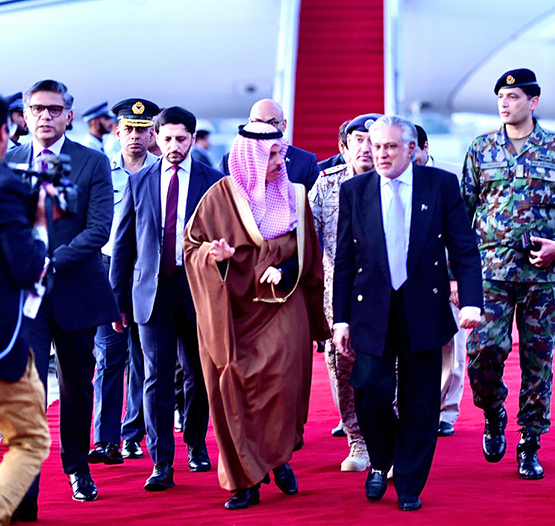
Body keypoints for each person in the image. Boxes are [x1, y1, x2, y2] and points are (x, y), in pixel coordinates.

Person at [333, 115, 482, 511]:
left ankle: (411, 482)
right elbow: (345, 261)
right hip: (371, 311)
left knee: (420, 401)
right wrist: (341, 319)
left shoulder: (441, 186)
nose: (379, 154)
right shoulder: (355, 190)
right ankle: (381, 461)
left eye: (390, 147)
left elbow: (464, 248)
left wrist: (470, 301)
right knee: (368, 389)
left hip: (423, 307)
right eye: (375, 146)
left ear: (412, 150)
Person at [184, 121, 328, 510]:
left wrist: (282, 267)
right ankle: (245, 479)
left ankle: (276, 457)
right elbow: (191, 247)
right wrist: (214, 258)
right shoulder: (219, 197)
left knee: (282, 386)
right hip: (233, 309)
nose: (282, 162)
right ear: (251, 157)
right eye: (273, 155)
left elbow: (306, 250)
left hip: (284, 302)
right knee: (233, 386)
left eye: (282, 153)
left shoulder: (295, 194)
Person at [461, 68, 555, 480]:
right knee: (483, 352)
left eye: (513, 96)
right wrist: (458, 274)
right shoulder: (480, 149)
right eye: (501, 96)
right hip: (490, 272)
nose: (504, 103)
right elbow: (463, 212)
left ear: (532, 102)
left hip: (541, 274)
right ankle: (493, 409)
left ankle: (530, 441)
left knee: (538, 362)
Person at [6, 79, 118, 504]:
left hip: (74, 288)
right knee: (28, 385)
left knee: (76, 384)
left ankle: (77, 466)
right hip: (23, 296)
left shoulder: (91, 162)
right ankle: (26, 488)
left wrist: (54, 260)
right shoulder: (10, 159)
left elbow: (99, 229)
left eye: (54, 109)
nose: (45, 117)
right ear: (26, 114)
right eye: (37, 109)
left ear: (69, 115)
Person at [111, 106, 220, 490]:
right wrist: (117, 299)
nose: (174, 146)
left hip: (197, 290)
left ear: (192, 138)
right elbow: (123, 243)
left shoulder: (212, 181)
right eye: (167, 138)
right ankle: (161, 462)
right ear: (156, 137)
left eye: (181, 139)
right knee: (155, 377)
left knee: (198, 373)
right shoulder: (139, 182)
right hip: (150, 291)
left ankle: (195, 444)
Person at [88, 98, 160, 465]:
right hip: (108, 271)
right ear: (117, 132)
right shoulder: (102, 169)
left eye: (142, 130)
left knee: (144, 358)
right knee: (109, 355)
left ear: (153, 134)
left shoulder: (162, 172)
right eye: (128, 129)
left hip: (149, 272)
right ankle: (106, 440)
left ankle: (134, 433)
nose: (134, 136)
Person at [309, 113, 381, 472]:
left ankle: (387, 438)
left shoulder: (398, 182)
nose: (366, 148)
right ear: (343, 148)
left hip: (386, 294)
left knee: (391, 369)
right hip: (339, 296)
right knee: (343, 369)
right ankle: (357, 441)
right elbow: (305, 238)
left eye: (373, 140)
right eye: (358, 141)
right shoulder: (326, 185)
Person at [0, 93, 51, 526]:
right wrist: (37, 230)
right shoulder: (7, 186)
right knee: (32, 440)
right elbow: (26, 266)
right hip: (4, 342)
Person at [413, 124, 466, 436]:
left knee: (453, 345)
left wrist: (457, 278)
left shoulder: (453, 176)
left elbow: (467, 232)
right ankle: (418, 408)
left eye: (413, 150)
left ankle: (447, 412)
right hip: (413, 278)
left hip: (450, 277)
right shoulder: (396, 177)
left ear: (426, 146)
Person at [220, 99, 319, 191]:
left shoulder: (305, 162)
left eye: (272, 123)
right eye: (257, 122)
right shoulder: (230, 161)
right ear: (249, 123)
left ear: (283, 125)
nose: (264, 129)